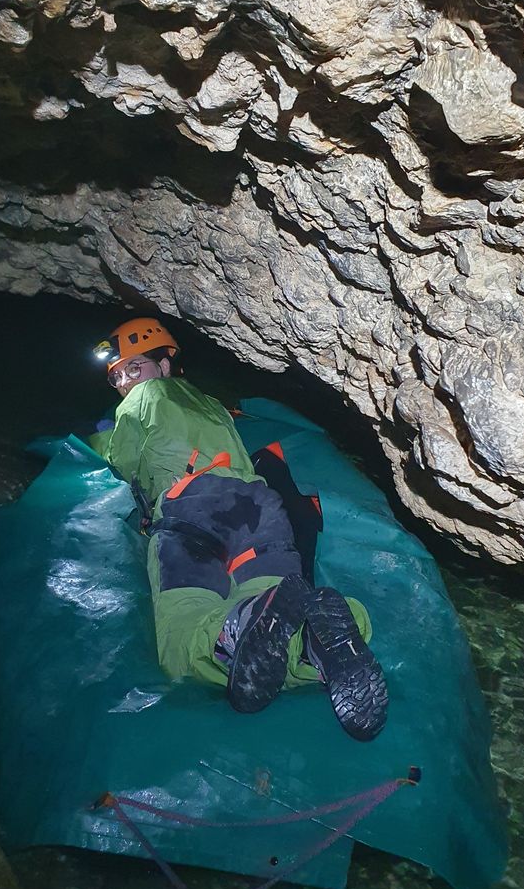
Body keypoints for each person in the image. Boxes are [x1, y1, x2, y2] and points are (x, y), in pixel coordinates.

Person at [89, 316, 388, 741]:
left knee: (182, 633)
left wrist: (104, 437)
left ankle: (239, 626)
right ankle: (315, 641)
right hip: (258, 505)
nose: (124, 382)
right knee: (272, 602)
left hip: (192, 505)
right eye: (117, 377)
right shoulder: (212, 405)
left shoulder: (140, 399)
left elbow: (122, 459)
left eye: (134, 368)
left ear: (165, 365)